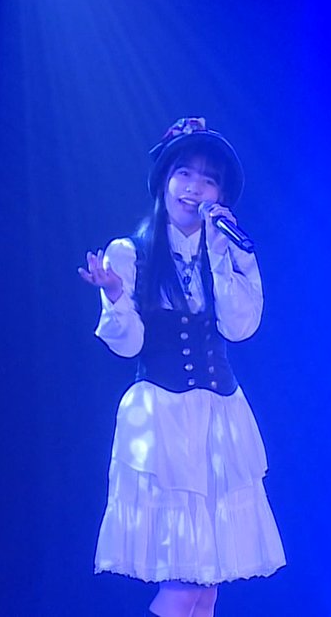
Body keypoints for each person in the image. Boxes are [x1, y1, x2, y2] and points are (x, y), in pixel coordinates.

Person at [78, 117, 285, 616]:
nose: (194, 188)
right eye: (184, 174)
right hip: (164, 419)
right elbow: (128, 346)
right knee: (187, 581)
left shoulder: (224, 250)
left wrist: (227, 255)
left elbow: (240, 328)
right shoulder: (131, 253)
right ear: (165, 182)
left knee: (208, 586)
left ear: (221, 194)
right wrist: (114, 294)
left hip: (220, 420)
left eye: (208, 179)